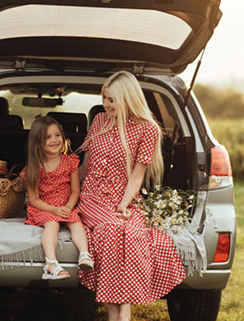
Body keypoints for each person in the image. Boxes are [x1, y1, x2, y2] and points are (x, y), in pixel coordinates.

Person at [76, 71, 186, 321]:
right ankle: (122, 315)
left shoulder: (148, 130)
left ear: (128, 99)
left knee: (133, 234)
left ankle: (120, 313)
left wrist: (124, 204)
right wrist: (67, 190)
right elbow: (85, 165)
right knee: (115, 230)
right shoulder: (99, 121)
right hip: (93, 196)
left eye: (112, 99)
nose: (106, 104)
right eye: (105, 98)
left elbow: (137, 176)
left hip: (124, 197)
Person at [22, 116, 94, 280]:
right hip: (44, 207)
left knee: (76, 222)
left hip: (65, 205)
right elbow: (33, 199)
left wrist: (68, 206)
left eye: (57, 135)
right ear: (38, 143)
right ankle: (51, 263)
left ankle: (84, 254)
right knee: (52, 224)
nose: (54, 140)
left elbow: (75, 190)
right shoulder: (35, 167)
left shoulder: (70, 162)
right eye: (47, 137)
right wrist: (54, 210)